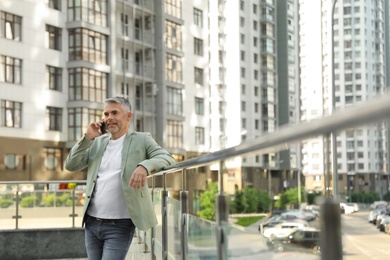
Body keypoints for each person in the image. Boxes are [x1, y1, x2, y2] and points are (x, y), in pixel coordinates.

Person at [65, 96, 175, 260]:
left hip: (120, 224)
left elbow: (167, 158)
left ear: (128, 116)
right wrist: (87, 138)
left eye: (114, 113)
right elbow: (71, 165)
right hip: (92, 222)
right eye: (106, 114)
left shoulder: (142, 139)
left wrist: (144, 166)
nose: (109, 118)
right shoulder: (96, 142)